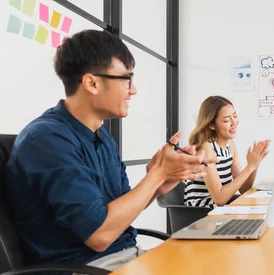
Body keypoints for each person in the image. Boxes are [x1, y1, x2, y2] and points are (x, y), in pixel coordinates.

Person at [4, 30, 212, 271]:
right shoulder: (47, 140)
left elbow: (119, 211)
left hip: (127, 255)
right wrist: (158, 175)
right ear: (92, 82)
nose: (133, 90)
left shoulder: (102, 137)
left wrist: (157, 183)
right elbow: (100, 236)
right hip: (87, 266)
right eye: (126, 79)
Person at [184, 96, 270, 208]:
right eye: (226, 120)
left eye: (235, 116)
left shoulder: (230, 144)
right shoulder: (206, 148)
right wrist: (249, 167)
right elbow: (219, 198)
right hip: (199, 211)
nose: (234, 123)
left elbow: (244, 188)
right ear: (211, 125)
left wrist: (254, 165)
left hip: (220, 208)